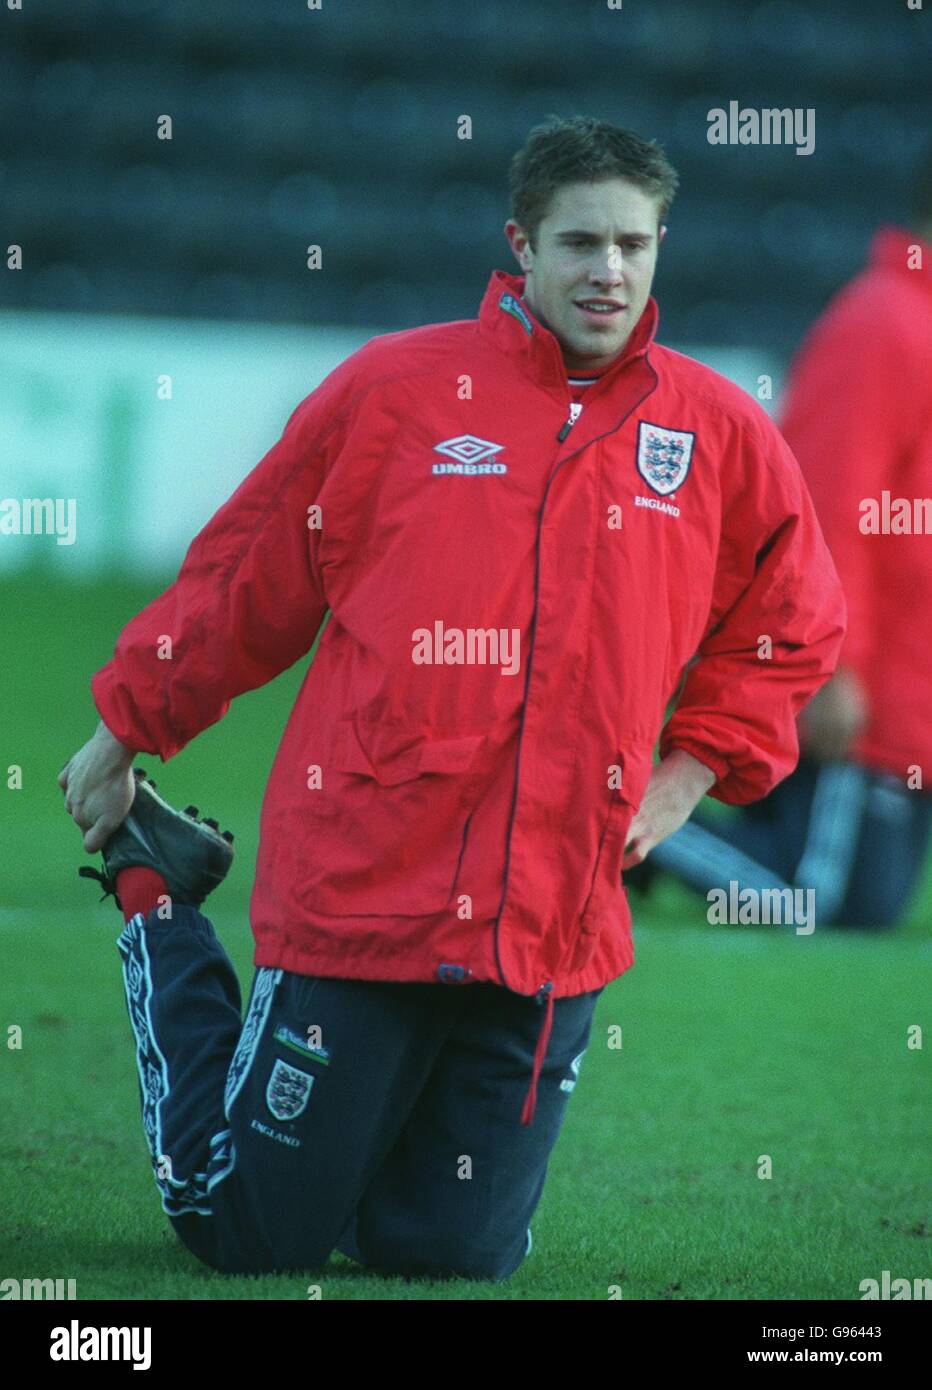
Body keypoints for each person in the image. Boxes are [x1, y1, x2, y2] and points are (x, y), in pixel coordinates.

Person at [58, 115, 846, 1281]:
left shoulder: (716, 431)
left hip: (553, 923)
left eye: (633, 244)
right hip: (363, 896)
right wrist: (127, 723)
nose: (608, 271)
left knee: (448, 1256)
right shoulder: (394, 393)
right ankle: (154, 894)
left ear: (661, 245)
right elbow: (247, 580)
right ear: (519, 243)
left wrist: (689, 774)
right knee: (251, 1235)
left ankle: (362, 1160)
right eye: (580, 242)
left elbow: (792, 625)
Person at [643, 145, 932, 928]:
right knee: (830, 899)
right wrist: (830, 668)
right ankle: (625, 823)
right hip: (867, 694)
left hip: (908, 695)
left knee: (861, 887)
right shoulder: (885, 323)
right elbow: (827, 506)